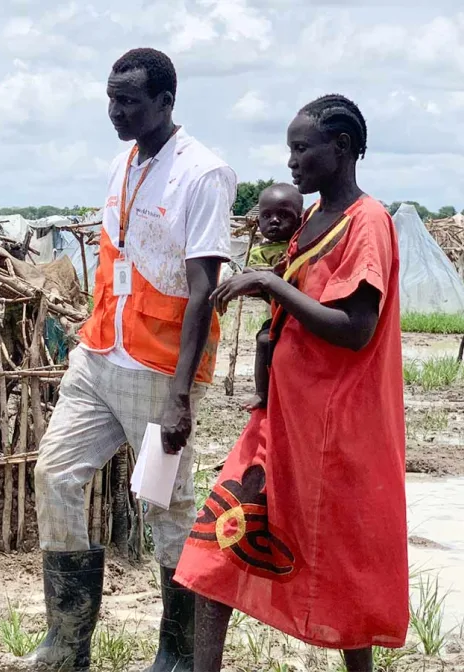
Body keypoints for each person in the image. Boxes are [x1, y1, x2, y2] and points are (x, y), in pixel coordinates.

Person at [20, 48, 237, 672]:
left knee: (165, 506)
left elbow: (202, 289)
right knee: (55, 474)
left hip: (158, 368)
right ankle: (66, 644)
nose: (115, 112)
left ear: (166, 103)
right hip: (99, 355)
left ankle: (175, 652)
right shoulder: (122, 164)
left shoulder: (202, 174)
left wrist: (178, 395)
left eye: (130, 102)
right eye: (111, 100)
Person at [175, 94, 408, 672]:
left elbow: (356, 329)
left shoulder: (367, 222)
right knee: (214, 547)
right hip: (280, 420)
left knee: (345, 560)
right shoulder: (309, 222)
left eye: (301, 149)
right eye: (290, 150)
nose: (292, 162)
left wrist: (271, 286)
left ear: (343, 148)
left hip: (337, 429)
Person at [245, 183, 304, 411]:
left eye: (284, 215)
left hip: (302, 314)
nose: (275, 221)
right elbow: (251, 278)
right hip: (278, 314)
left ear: (299, 220)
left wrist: (268, 278)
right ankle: (262, 392)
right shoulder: (259, 251)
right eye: (267, 215)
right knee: (263, 341)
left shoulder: (300, 247)